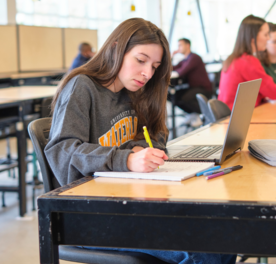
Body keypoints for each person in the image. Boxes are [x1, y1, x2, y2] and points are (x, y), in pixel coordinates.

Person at [45, 18, 236, 264]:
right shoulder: (82, 87)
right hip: (89, 214)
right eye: (141, 60)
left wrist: (145, 151)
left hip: (133, 203)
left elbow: (156, 137)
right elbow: (62, 151)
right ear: (116, 48)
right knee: (201, 249)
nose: (147, 73)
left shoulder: (136, 91)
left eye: (155, 66)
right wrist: (127, 159)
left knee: (226, 234)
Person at [172, 38, 212, 127]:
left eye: (180, 45)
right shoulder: (185, 59)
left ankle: (203, 115)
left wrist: (177, 68)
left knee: (185, 98)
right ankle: (192, 114)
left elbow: (182, 71)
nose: (178, 48)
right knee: (175, 97)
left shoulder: (194, 57)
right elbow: (173, 68)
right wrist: (171, 56)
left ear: (187, 45)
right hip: (193, 87)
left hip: (203, 88)